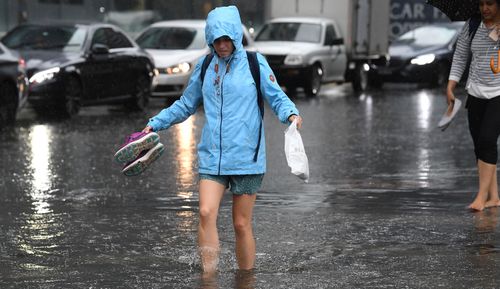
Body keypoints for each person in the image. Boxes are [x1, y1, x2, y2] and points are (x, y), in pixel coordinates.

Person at [142, 5, 303, 272]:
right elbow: (185, 104)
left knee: (241, 224)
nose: (222, 45)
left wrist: (291, 115)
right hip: (212, 156)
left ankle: (246, 278)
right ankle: (209, 278)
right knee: (205, 212)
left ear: (236, 37)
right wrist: (155, 124)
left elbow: (276, 97)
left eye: (227, 39)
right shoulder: (205, 65)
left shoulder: (254, 63)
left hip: (247, 157)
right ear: (210, 40)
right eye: (217, 40)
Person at [447, 0, 500, 211]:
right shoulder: (471, 25)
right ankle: (494, 197)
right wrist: (451, 85)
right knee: (480, 144)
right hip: (476, 91)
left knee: (487, 139)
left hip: (499, 92)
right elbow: (460, 56)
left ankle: (481, 197)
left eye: (490, 4)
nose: (484, 8)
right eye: (481, 4)